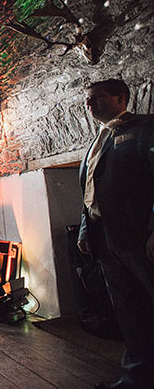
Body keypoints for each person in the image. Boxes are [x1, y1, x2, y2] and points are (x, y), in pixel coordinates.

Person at [76, 79, 154, 389]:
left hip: (139, 238)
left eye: (96, 98)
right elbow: (90, 191)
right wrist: (85, 229)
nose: (89, 105)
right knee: (128, 310)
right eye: (87, 100)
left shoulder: (145, 128)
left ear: (120, 98)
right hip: (104, 238)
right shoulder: (98, 139)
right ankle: (136, 378)